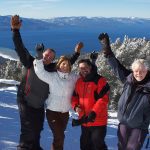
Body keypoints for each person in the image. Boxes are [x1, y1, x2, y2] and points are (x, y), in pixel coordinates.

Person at [10, 15, 83, 150]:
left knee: (37, 128)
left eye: (51, 57)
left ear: (52, 60)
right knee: (28, 128)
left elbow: (65, 65)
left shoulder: (51, 69)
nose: (48, 57)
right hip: (25, 100)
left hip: (39, 104)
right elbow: (20, 47)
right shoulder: (30, 62)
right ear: (42, 53)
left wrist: (76, 53)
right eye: (46, 54)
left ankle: (35, 147)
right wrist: (15, 31)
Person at [98, 33, 150, 150]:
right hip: (123, 123)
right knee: (121, 147)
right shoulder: (128, 80)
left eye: (142, 70)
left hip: (139, 127)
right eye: (136, 70)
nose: (138, 73)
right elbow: (116, 67)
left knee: (132, 148)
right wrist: (107, 49)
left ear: (147, 71)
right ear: (132, 71)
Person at [33, 55, 79, 150]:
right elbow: (40, 73)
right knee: (60, 136)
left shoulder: (74, 78)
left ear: (70, 67)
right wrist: (38, 59)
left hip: (65, 113)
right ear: (59, 65)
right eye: (63, 64)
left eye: (67, 64)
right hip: (52, 112)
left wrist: (93, 63)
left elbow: (86, 77)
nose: (65, 66)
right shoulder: (53, 76)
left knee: (59, 136)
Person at [71, 59, 110, 150]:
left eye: (86, 67)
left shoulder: (100, 80)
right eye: (81, 68)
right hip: (84, 121)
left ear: (90, 67)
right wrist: (76, 106)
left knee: (98, 146)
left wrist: (94, 112)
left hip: (98, 121)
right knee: (84, 145)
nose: (84, 69)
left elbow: (103, 99)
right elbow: (74, 97)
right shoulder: (79, 81)